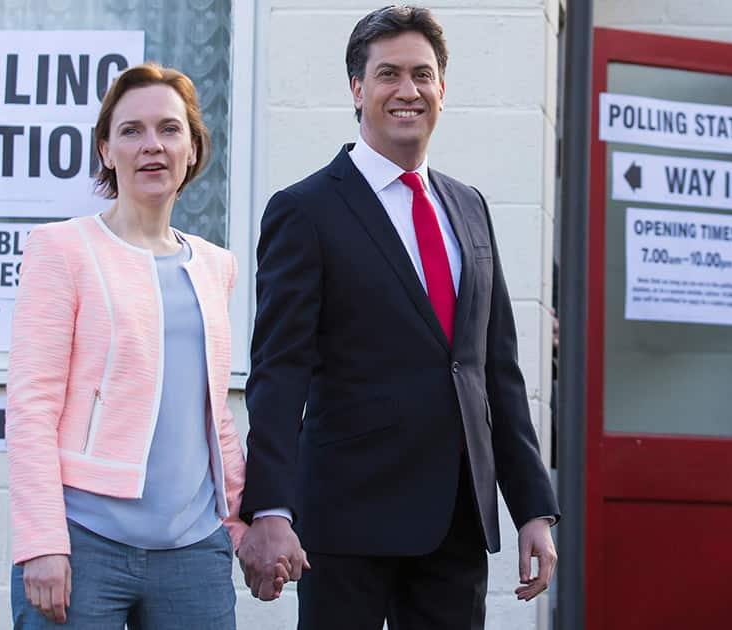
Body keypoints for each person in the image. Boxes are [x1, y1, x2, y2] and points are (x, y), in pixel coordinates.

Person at [237, 6, 560, 629]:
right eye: (388, 74)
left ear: (443, 87)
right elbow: (279, 372)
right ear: (357, 89)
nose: (407, 91)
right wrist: (271, 508)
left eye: (422, 74)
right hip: (349, 523)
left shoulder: (469, 208)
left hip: (456, 522)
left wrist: (532, 511)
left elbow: (498, 374)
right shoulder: (305, 211)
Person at [6, 62, 247, 629]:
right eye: (131, 131)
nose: (151, 146)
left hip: (194, 552)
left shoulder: (216, 266)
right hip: (84, 545)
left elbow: (212, 410)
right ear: (107, 150)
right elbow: (31, 406)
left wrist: (240, 522)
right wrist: (42, 541)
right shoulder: (62, 249)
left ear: (192, 148)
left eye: (169, 129)